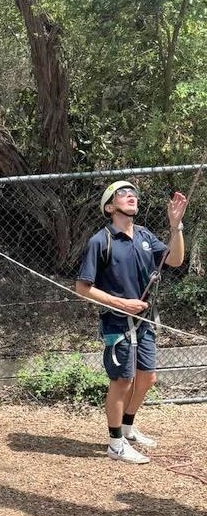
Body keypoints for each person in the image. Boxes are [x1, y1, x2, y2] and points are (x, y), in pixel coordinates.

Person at [76, 181, 186, 464]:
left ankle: (127, 427)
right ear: (110, 207)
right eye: (123, 194)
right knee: (123, 380)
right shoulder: (101, 241)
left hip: (144, 322)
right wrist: (122, 303)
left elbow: (175, 260)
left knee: (147, 378)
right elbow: (82, 288)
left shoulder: (145, 236)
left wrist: (176, 225)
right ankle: (115, 444)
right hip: (117, 323)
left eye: (133, 194)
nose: (131, 196)